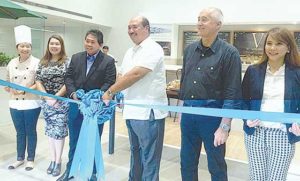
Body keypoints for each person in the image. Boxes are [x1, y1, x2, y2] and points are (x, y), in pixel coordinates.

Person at [178, 7, 242, 181]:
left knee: (216, 165)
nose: (199, 23)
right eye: (198, 18)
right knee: (186, 162)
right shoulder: (189, 50)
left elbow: (232, 93)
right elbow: (185, 83)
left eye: (204, 19)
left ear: (218, 25)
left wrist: (225, 126)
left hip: (213, 117)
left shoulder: (230, 53)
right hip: (189, 115)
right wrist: (181, 112)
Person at [102, 15, 168, 181]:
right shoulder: (130, 51)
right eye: (129, 27)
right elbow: (122, 75)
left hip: (148, 114)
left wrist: (110, 92)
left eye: (135, 27)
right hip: (131, 111)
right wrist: (116, 93)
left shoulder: (153, 48)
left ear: (147, 28)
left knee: (150, 157)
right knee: (135, 152)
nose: (131, 31)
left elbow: (136, 74)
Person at [57, 29, 116, 181]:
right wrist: (73, 94)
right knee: (74, 141)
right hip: (76, 107)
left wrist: (94, 97)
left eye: (92, 42)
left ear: (100, 44)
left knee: (93, 142)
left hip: (95, 110)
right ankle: (70, 170)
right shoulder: (76, 58)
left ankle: (93, 173)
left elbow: (109, 82)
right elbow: (68, 78)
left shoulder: (108, 61)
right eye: (87, 41)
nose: (88, 44)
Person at [242, 27, 300, 181]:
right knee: (256, 177)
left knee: (277, 178)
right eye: (269, 43)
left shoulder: (297, 73)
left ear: (288, 47)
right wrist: (246, 119)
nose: (272, 48)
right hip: (255, 133)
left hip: (283, 134)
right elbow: (243, 100)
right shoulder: (253, 71)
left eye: (279, 43)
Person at [4, 25, 41, 171]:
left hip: (31, 102)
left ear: (30, 47)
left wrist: (24, 91)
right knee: (19, 131)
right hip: (14, 102)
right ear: (17, 47)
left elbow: (39, 83)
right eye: (22, 46)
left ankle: (30, 158)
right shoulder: (12, 62)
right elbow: (6, 83)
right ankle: (20, 158)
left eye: (27, 46)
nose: (24, 48)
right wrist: (11, 89)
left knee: (30, 130)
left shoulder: (37, 62)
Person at [35, 35, 69, 177]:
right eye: (52, 43)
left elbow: (69, 82)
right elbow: (38, 80)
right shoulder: (43, 62)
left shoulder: (66, 62)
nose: (54, 46)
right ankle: (52, 159)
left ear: (61, 46)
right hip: (46, 102)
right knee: (50, 132)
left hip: (61, 102)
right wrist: (46, 96)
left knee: (58, 133)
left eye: (57, 44)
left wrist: (55, 98)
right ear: (48, 45)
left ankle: (58, 161)